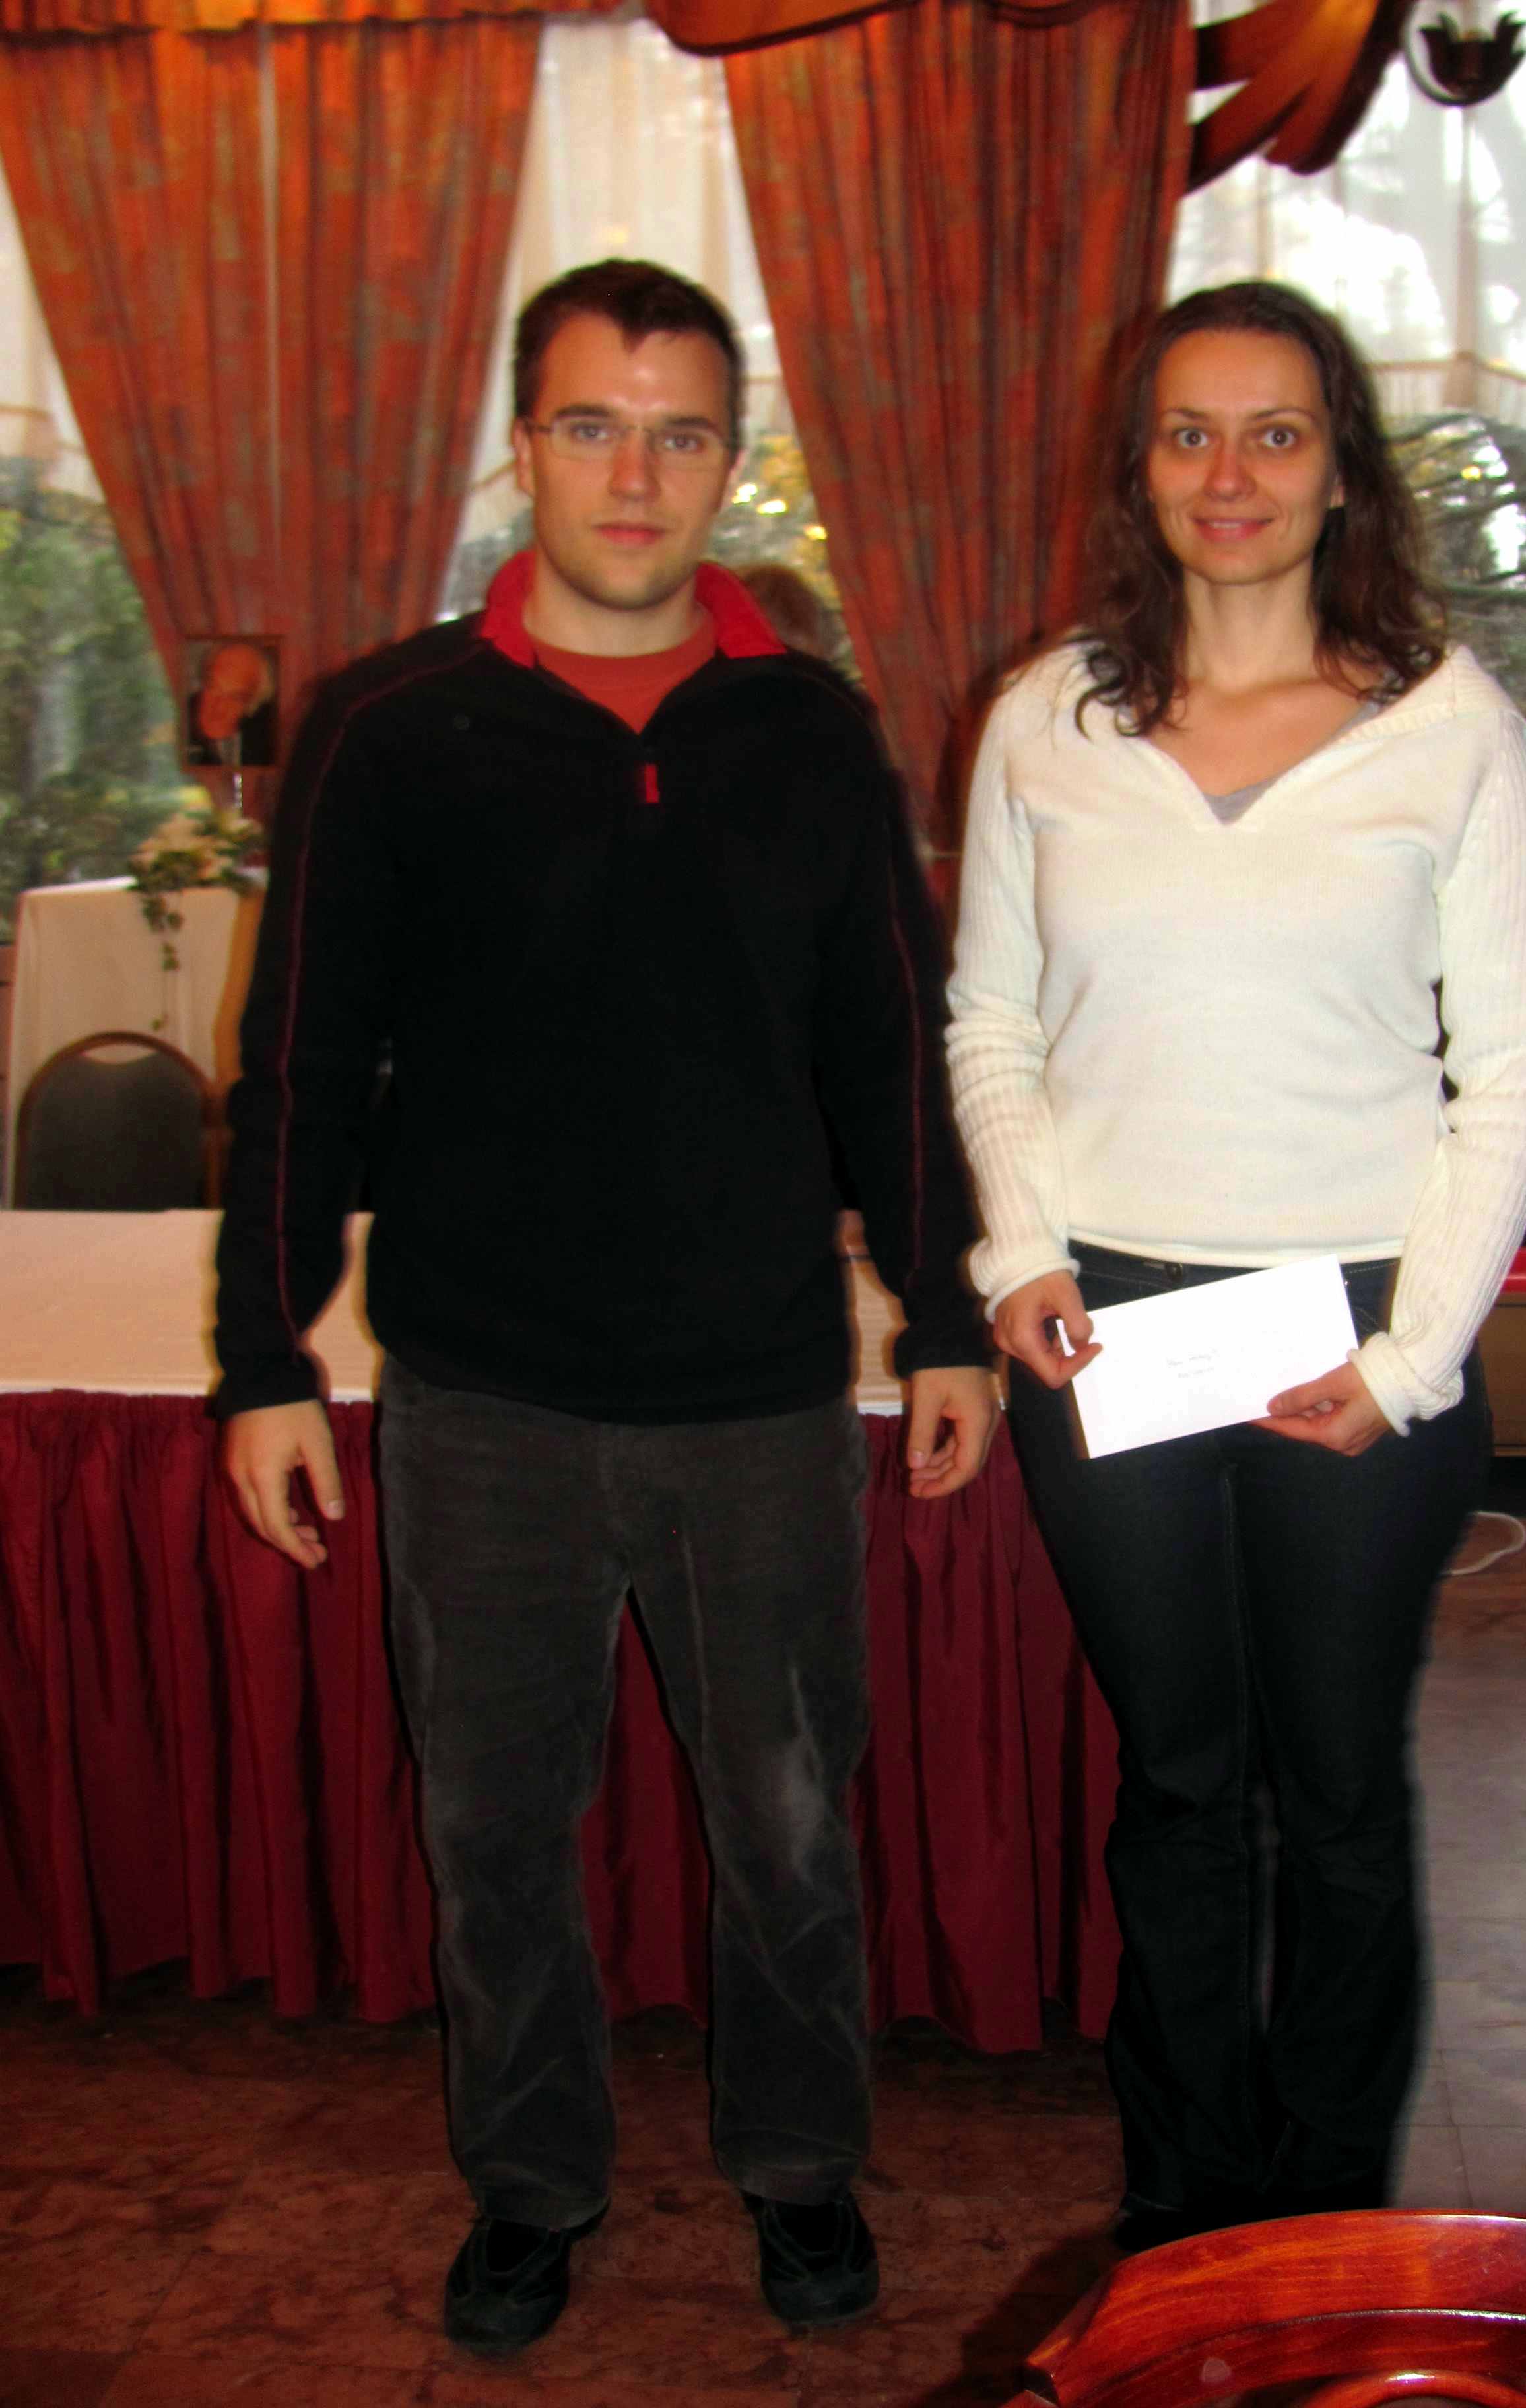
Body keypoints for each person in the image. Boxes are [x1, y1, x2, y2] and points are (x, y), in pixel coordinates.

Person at [214, 257, 997, 2351]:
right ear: (522, 446)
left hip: (757, 1395)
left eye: (679, 433)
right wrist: (264, 1355)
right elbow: (302, 1059)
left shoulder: (808, 731)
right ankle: (533, 2186)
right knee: (494, 1838)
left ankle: (802, 2169)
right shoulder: (389, 729)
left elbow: (889, 1049)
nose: (634, 474)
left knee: (792, 1830)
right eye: (591, 425)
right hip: (482, 1397)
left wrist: (942, 1314)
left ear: (730, 462)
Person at [946, 281, 1526, 2244]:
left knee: (1340, 1789)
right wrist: (1019, 1247)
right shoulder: (1045, 717)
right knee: (1180, 1781)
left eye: (1275, 432)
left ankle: (1330, 2215)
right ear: (1138, 468)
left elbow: (1510, 1069)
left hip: (1355, 1319)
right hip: (1111, 1322)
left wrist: (1410, 1357)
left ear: (1339, 468)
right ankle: (1190, 2202)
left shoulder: (1447, 726)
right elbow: (992, 1022)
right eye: (1189, 431)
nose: (1231, 473)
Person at [187, 638, 278, 767]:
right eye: (214, 687)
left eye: (235, 698)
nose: (219, 706)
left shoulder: (266, 740)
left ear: (252, 706)